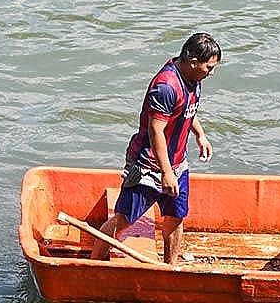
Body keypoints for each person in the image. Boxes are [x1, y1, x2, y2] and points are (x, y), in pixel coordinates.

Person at [91, 32, 221, 265]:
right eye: (209, 67)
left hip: (177, 163)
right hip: (149, 167)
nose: (211, 73)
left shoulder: (193, 78)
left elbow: (187, 109)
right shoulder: (165, 86)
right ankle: (93, 263)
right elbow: (156, 131)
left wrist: (200, 135)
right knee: (123, 220)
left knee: (175, 217)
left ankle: (170, 268)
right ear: (192, 62)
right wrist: (165, 173)